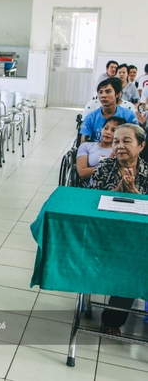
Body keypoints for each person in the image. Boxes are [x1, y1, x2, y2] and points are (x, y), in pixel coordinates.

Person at [90, 124, 148, 336]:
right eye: (116, 141)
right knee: (128, 263)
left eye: (126, 141)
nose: (120, 146)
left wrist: (135, 193)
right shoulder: (105, 166)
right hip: (105, 236)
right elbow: (91, 202)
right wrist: (118, 191)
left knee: (135, 259)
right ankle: (112, 320)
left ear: (141, 146)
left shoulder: (147, 172)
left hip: (139, 239)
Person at [80, 78, 138, 144]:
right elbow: (83, 145)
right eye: (100, 92)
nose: (103, 95)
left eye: (108, 92)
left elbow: (135, 141)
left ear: (117, 94)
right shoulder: (91, 117)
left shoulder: (129, 115)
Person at [76, 116, 125, 185]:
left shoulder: (121, 150)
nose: (107, 132)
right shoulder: (86, 146)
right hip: (89, 186)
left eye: (113, 130)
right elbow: (82, 173)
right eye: (106, 128)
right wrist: (107, 166)